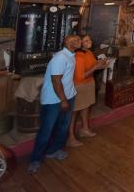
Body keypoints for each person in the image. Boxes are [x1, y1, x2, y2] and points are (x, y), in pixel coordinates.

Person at [27, 35, 82, 175]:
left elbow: (67, 78)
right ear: (66, 42)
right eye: (74, 40)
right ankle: (35, 159)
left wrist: (69, 96)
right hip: (54, 100)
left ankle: (53, 150)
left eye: (79, 40)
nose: (78, 41)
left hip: (68, 96)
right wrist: (63, 100)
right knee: (46, 130)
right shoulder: (60, 58)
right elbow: (56, 81)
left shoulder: (71, 55)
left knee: (63, 126)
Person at [67, 35, 108, 147]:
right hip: (79, 86)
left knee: (86, 107)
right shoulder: (79, 56)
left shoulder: (88, 53)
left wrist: (101, 63)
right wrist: (96, 67)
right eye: (85, 40)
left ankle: (85, 129)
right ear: (80, 43)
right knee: (74, 112)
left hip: (89, 84)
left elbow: (93, 65)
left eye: (89, 39)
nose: (89, 41)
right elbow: (81, 77)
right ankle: (71, 137)